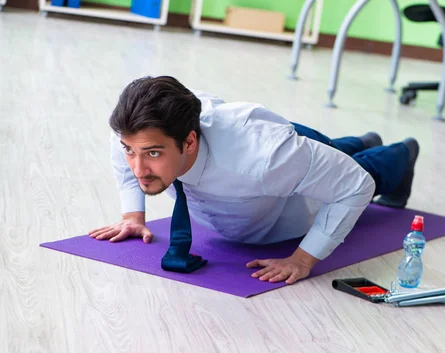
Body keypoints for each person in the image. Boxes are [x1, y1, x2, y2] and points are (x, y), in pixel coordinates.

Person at [89, 76, 419, 285]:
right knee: (326, 153)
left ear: (189, 142)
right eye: (130, 151)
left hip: (275, 157)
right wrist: (133, 216)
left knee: (358, 169)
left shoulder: (266, 160)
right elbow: (127, 153)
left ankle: (400, 153)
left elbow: (354, 185)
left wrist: (303, 260)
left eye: (153, 154)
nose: (138, 166)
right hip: (267, 144)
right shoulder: (135, 132)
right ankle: (360, 140)